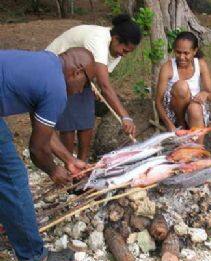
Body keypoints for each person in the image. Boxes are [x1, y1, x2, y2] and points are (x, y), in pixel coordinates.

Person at [0, 47, 95, 261]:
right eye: (85, 83)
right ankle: (34, 260)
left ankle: (7, 219)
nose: (80, 90)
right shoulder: (56, 89)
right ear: (77, 72)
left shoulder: (47, 63)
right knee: (13, 177)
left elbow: (43, 130)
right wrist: (54, 171)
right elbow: (37, 148)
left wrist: (69, 160)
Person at [46, 14, 142, 161]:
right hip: (57, 71)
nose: (124, 55)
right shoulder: (98, 39)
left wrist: (94, 86)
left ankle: (83, 164)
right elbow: (105, 85)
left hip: (79, 73)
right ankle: (69, 163)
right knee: (69, 123)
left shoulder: (115, 51)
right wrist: (125, 116)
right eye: (125, 50)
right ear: (116, 39)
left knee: (86, 119)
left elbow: (99, 79)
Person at [155, 31, 211, 144]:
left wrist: (205, 94)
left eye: (186, 53)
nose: (182, 57)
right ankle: (182, 126)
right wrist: (169, 125)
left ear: (195, 51)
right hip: (173, 114)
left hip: (194, 112)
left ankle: (198, 148)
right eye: (178, 52)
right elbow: (158, 102)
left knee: (195, 108)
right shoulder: (167, 67)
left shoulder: (200, 64)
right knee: (181, 86)